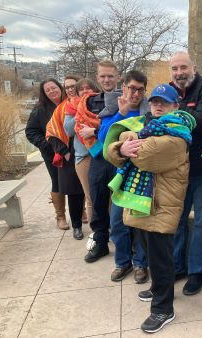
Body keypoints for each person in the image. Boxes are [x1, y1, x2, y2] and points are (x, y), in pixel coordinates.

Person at [104, 84, 196, 334]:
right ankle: (159, 290)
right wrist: (121, 145)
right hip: (144, 204)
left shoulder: (178, 136)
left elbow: (143, 156)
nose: (158, 106)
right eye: (155, 101)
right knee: (150, 253)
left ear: (175, 107)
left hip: (162, 206)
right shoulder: (148, 128)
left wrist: (126, 142)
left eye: (164, 102)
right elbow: (112, 145)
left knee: (161, 259)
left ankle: (163, 309)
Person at [169, 51, 202, 295]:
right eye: (175, 69)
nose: (179, 73)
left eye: (183, 68)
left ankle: (197, 271)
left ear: (193, 68)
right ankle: (178, 266)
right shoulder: (168, 90)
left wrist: (174, 117)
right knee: (177, 221)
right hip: (176, 171)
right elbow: (155, 117)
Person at [97, 70, 150, 284]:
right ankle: (122, 262)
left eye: (140, 89)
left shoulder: (150, 111)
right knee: (117, 222)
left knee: (138, 223)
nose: (135, 93)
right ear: (125, 87)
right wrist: (121, 114)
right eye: (132, 88)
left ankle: (140, 264)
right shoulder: (114, 109)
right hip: (121, 176)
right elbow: (103, 139)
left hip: (142, 177)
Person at [80, 60, 121, 263]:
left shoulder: (126, 99)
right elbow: (81, 126)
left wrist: (95, 130)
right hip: (98, 157)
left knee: (122, 202)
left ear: (118, 77)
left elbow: (123, 126)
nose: (106, 79)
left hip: (121, 157)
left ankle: (125, 244)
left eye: (110, 76)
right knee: (98, 200)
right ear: (97, 78)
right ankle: (101, 243)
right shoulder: (89, 103)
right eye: (103, 76)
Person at [46, 75, 86, 240]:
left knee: (93, 191)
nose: (70, 89)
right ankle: (76, 225)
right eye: (67, 87)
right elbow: (51, 133)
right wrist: (65, 152)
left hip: (89, 152)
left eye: (73, 86)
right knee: (74, 193)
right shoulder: (61, 109)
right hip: (69, 155)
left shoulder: (89, 103)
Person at [25, 78, 67, 230]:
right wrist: (46, 144)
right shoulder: (39, 110)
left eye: (53, 88)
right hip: (52, 153)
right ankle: (60, 216)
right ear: (44, 93)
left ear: (60, 87)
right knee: (57, 181)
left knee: (76, 181)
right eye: (47, 90)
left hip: (71, 150)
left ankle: (81, 212)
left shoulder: (69, 103)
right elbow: (30, 131)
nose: (52, 91)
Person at [64, 78, 100, 230]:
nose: (85, 91)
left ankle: (110, 229)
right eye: (82, 89)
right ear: (77, 92)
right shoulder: (72, 107)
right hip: (83, 157)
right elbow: (68, 130)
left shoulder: (101, 103)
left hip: (101, 154)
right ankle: (95, 231)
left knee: (108, 196)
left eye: (89, 88)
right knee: (90, 198)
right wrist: (80, 111)